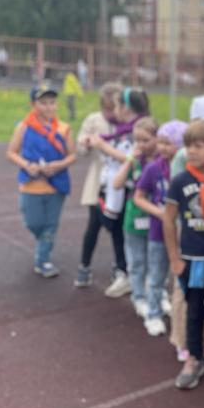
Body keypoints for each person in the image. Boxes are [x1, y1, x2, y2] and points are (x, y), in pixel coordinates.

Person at [163, 120, 204, 390]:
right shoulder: (179, 181)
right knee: (194, 312)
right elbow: (168, 220)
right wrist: (174, 259)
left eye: (198, 145)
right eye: (188, 145)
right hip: (193, 260)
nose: (190, 150)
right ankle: (193, 358)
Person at [5, 84, 76, 277]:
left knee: (51, 225)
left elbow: (72, 155)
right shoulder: (24, 127)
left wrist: (59, 165)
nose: (48, 107)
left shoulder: (63, 128)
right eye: (43, 103)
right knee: (33, 223)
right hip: (31, 184)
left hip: (56, 184)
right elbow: (11, 152)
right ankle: (43, 240)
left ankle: (42, 260)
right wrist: (27, 165)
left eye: (52, 103)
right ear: (33, 104)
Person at [87, 87, 151, 298]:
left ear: (125, 107)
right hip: (120, 190)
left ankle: (134, 276)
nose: (114, 110)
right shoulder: (125, 128)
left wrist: (103, 146)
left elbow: (132, 158)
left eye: (116, 105)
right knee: (119, 232)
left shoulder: (139, 130)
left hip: (131, 192)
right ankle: (126, 272)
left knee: (130, 235)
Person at [133, 120, 187, 337]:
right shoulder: (153, 168)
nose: (163, 148)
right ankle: (153, 314)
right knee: (156, 274)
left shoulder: (188, 171)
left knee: (176, 275)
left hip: (184, 233)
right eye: (161, 142)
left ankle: (171, 308)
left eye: (169, 143)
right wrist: (160, 213)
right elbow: (139, 197)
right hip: (158, 231)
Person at [74, 81, 123, 288]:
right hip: (98, 181)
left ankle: (120, 267)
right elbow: (80, 147)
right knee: (93, 225)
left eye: (115, 108)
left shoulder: (126, 123)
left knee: (117, 229)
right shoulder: (93, 120)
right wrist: (84, 143)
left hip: (120, 182)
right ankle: (84, 266)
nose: (111, 113)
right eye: (107, 108)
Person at [112, 117, 159, 321]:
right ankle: (139, 295)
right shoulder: (135, 162)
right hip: (135, 217)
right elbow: (116, 183)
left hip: (156, 218)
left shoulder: (161, 163)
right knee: (138, 260)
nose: (141, 145)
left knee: (157, 260)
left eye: (146, 140)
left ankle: (157, 293)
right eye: (137, 140)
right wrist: (130, 159)